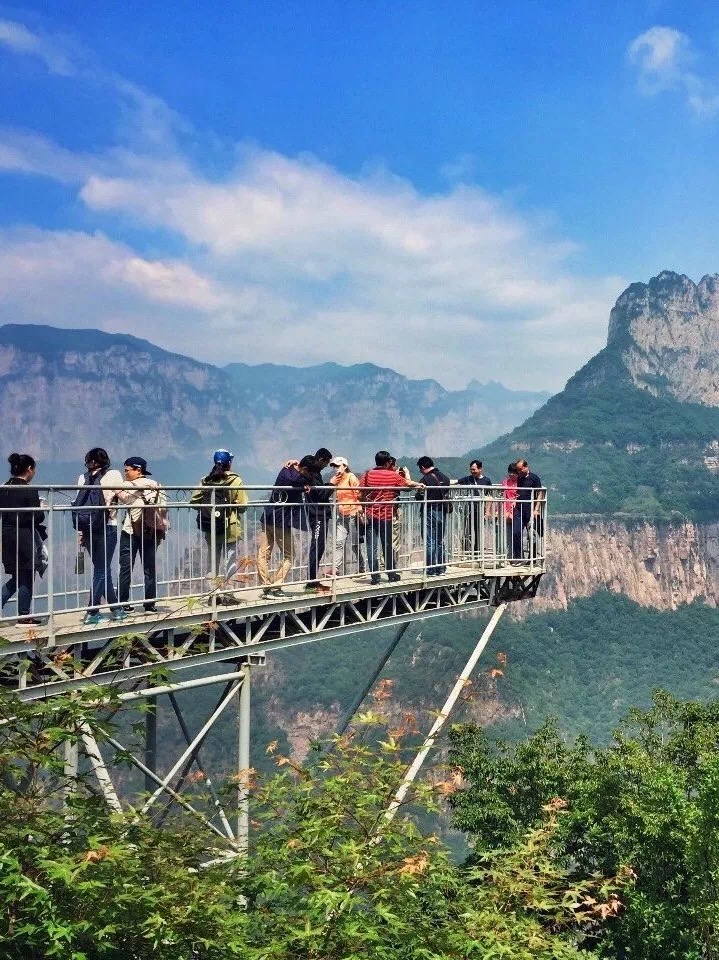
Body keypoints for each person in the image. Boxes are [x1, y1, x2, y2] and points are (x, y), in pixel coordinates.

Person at [74, 448, 126, 625]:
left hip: (88, 527)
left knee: (102, 569)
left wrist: (81, 533)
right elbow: (124, 497)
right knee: (102, 570)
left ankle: (116, 609)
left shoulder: (83, 478)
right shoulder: (113, 475)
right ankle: (92, 611)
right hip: (107, 527)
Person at [190, 449, 248, 603]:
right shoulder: (235, 481)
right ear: (229, 463)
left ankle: (213, 595)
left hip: (212, 528)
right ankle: (229, 595)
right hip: (230, 527)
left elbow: (193, 502)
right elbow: (243, 506)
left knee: (213, 562)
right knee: (230, 561)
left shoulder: (206, 480)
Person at [257, 455, 314, 597]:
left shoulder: (285, 471)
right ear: (305, 469)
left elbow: (297, 475)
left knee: (263, 554)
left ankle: (265, 585)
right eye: (309, 471)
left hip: (268, 517)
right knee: (290, 555)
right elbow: (308, 480)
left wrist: (293, 463)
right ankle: (276, 586)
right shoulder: (300, 480)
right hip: (281, 522)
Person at [360, 451, 420, 584]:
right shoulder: (392, 475)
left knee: (371, 547)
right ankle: (391, 574)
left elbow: (361, 492)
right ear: (387, 463)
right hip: (385, 514)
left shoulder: (367, 474)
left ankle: (375, 577)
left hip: (369, 514)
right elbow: (407, 485)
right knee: (387, 545)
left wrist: (363, 509)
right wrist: (419, 485)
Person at [0, 453, 46, 625]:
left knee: (17, 576)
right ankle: (24, 616)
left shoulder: (4, 487)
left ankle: (21, 614)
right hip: (23, 536)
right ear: (29, 469)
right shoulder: (29, 489)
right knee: (26, 574)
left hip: (6, 535)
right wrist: (42, 508)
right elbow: (37, 517)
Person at [118, 456, 166, 613]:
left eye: (127, 470)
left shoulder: (126, 485)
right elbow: (163, 509)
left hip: (130, 530)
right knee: (149, 568)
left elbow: (122, 498)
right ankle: (150, 604)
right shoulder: (157, 485)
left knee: (126, 567)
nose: (125, 473)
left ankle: (122, 603)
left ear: (138, 470)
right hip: (150, 531)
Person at [327, 456, 364, 577]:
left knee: (354, 544)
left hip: (353, 514)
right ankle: (335, 569)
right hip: (342, 515)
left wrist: (360, 511)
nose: (335, 469)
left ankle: (362, 568)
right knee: (339, 543)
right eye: (334, 466)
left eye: (338, 466)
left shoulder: (351, 477)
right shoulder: (336, 479)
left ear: (345, 466)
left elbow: (359, 495)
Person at [416, 456, 451, 575]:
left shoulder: (425, 480)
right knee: (440, 541)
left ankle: (431, 569)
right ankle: (441, 568)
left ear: (422, 467)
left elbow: (419, 496)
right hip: (442, 511)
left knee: (430, 540)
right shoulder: (445, 478)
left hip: (430, 511)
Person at [305, 447, 333, 590]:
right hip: (317, 515)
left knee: (318, 546)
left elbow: (319, 490)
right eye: (326, 463)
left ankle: (313, 580)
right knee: (317, 546)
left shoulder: (313, 473)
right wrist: (332, 485)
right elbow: (321, 495)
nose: (326, 466)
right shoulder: (314, 473)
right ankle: (311, 582)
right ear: (321, 459)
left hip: (317, 514)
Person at [456, 460, 492, 557]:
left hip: (480, 510)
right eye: (471, 469)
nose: (472, 471)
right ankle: (467, 553)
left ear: (480, 469)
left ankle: (477, 553)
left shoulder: (487, 481)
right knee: (467, 531)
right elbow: (456, 482)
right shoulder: (468, 479)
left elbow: (489, 497)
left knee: (479, 531)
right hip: (469, 510)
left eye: (474, 469)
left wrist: (487, 511)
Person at [512, 459, 543, 562]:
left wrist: (536, 509)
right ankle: (518, 558)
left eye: (520, 469)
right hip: (519, 508)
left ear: (526, 467)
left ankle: (532, 559)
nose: (519, 472)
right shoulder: (519, 478)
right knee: (516, 532)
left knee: (532, 535)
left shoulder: (534, 478)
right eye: (517, 470)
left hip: (530, 509)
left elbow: (539, 493)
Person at [501, 462, 519, 560]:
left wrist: (512, 511)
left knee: (517, 534)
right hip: (506, 510)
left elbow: (519, 497)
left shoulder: (520, 483)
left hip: (516, 511)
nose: (511, 474)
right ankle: (509, 556)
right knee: (508, 536)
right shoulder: (504, 483)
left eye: (514, 472)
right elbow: (501, 496)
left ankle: (517, 556)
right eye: (510, 472)